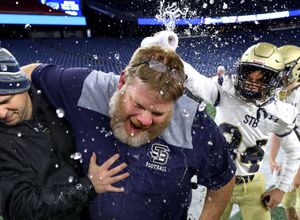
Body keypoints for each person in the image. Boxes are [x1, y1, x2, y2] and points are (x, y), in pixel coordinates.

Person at [22, 44, 236, 220]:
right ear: (122, 81)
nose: (145, 120)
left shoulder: (194, 124)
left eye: (158, 113)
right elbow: (30, 73)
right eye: (138, 105)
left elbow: (223, 180)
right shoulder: (87, 88)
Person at [0, 47, 130, 220]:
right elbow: (22, 208)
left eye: (6, 101)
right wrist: (88, 187)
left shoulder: (55, 97)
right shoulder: (3, 143)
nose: (1, 113)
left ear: (23, 87)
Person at [180, 42, 300, 220]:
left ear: (273, 80)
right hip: (219, 181)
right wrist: (167, 52)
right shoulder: (225, 92)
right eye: (248, 75)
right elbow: (194, 79)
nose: (252, 83)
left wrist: (281, 188)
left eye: (261, 79)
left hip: (253, 184)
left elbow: (294, 150)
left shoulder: (280, 112)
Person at [269, 44, 300, 220]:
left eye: (283, 71)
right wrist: (273, 159)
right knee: (289, 203)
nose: (278, 76)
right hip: (295, 158)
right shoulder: (284, 96)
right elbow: (279, 131)